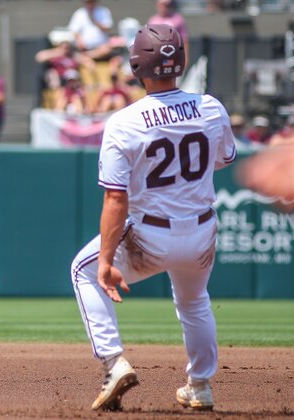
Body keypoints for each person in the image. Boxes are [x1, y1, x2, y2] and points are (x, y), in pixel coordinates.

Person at [70, 24, 236, 412]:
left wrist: (108, 261)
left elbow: (115, 198)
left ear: (135, 65)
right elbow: (224, 159)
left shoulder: (124, 122)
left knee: (83, 270)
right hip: (201, 229)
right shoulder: (210, 106)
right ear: (179, 61)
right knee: (194, 302)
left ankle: (114, 363)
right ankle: (200, 386)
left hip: (150, 234)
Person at [148, 0, 190, 67]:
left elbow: (184, 40)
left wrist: (186, 57)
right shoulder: (152, 21)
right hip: (157, 58)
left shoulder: (178, 19)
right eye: (162, 5)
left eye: (166, 5)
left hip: (173, 55)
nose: (164, 7)